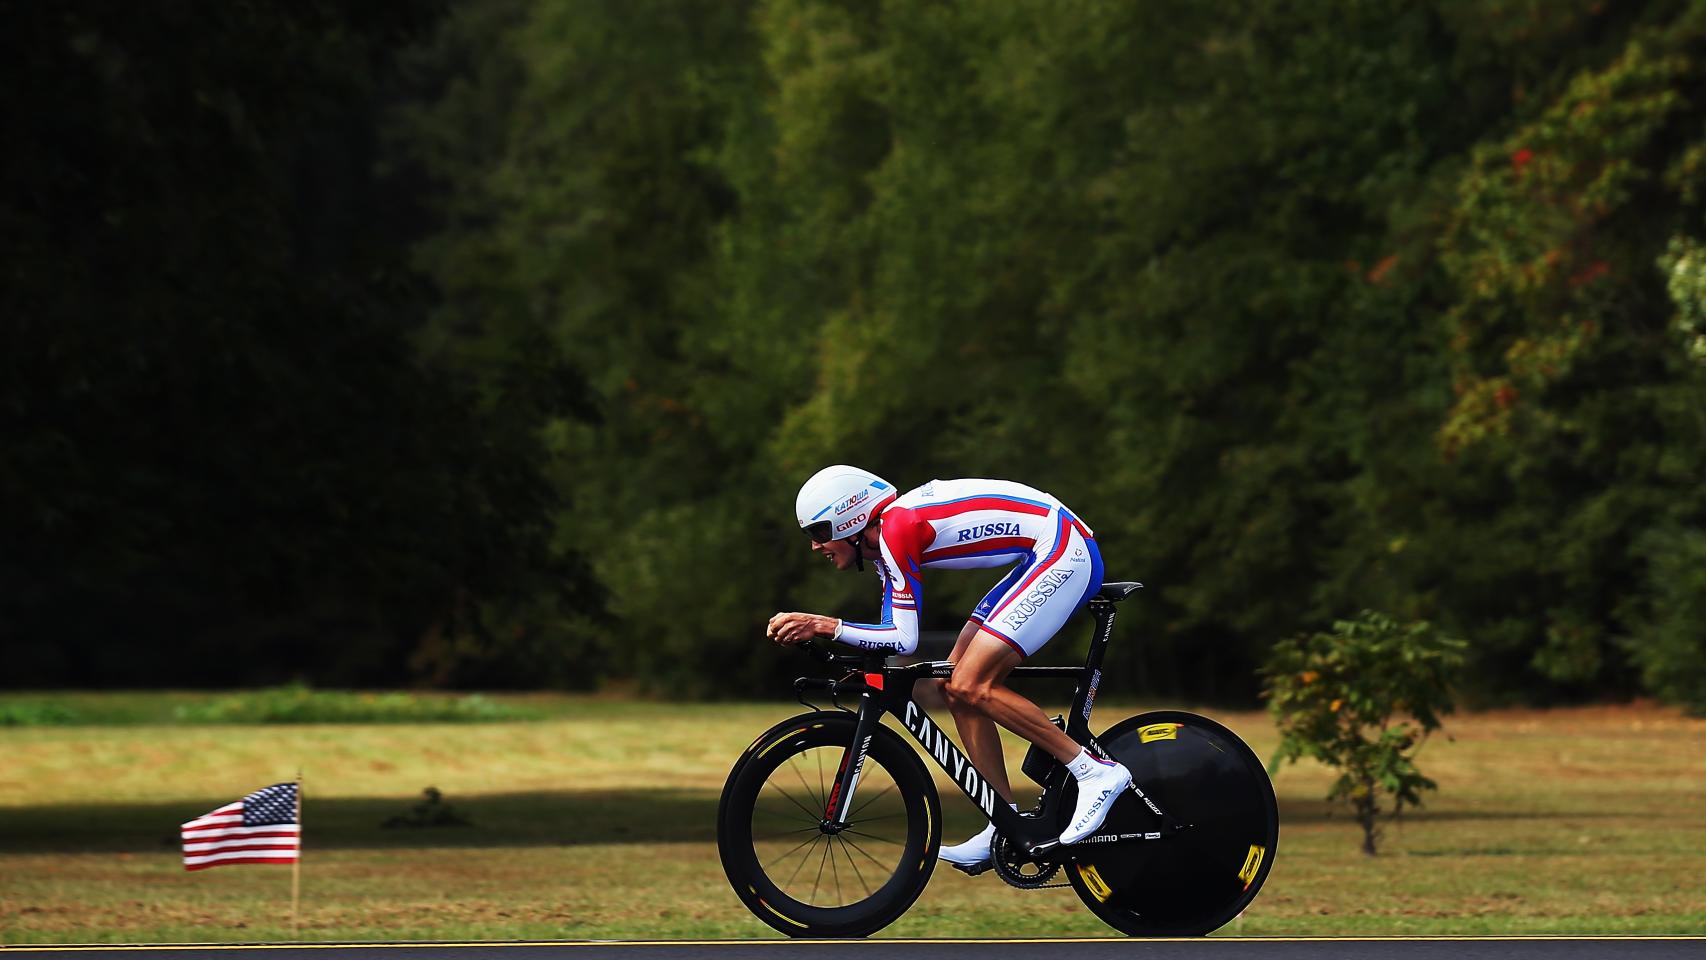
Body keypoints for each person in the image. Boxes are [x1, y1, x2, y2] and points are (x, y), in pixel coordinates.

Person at [766, 465, 1130, 870]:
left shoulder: (898, 528)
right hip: (1041, 553)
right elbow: (893, 634)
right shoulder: (887, 544)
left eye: (819, 533)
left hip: (1063, 550)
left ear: (850, 519)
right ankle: (1003, 820)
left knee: (973, 683)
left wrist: (824, 625)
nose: (816, 547)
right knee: (953, 685)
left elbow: (904, 640)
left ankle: (1094, 772)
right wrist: (838, 639)